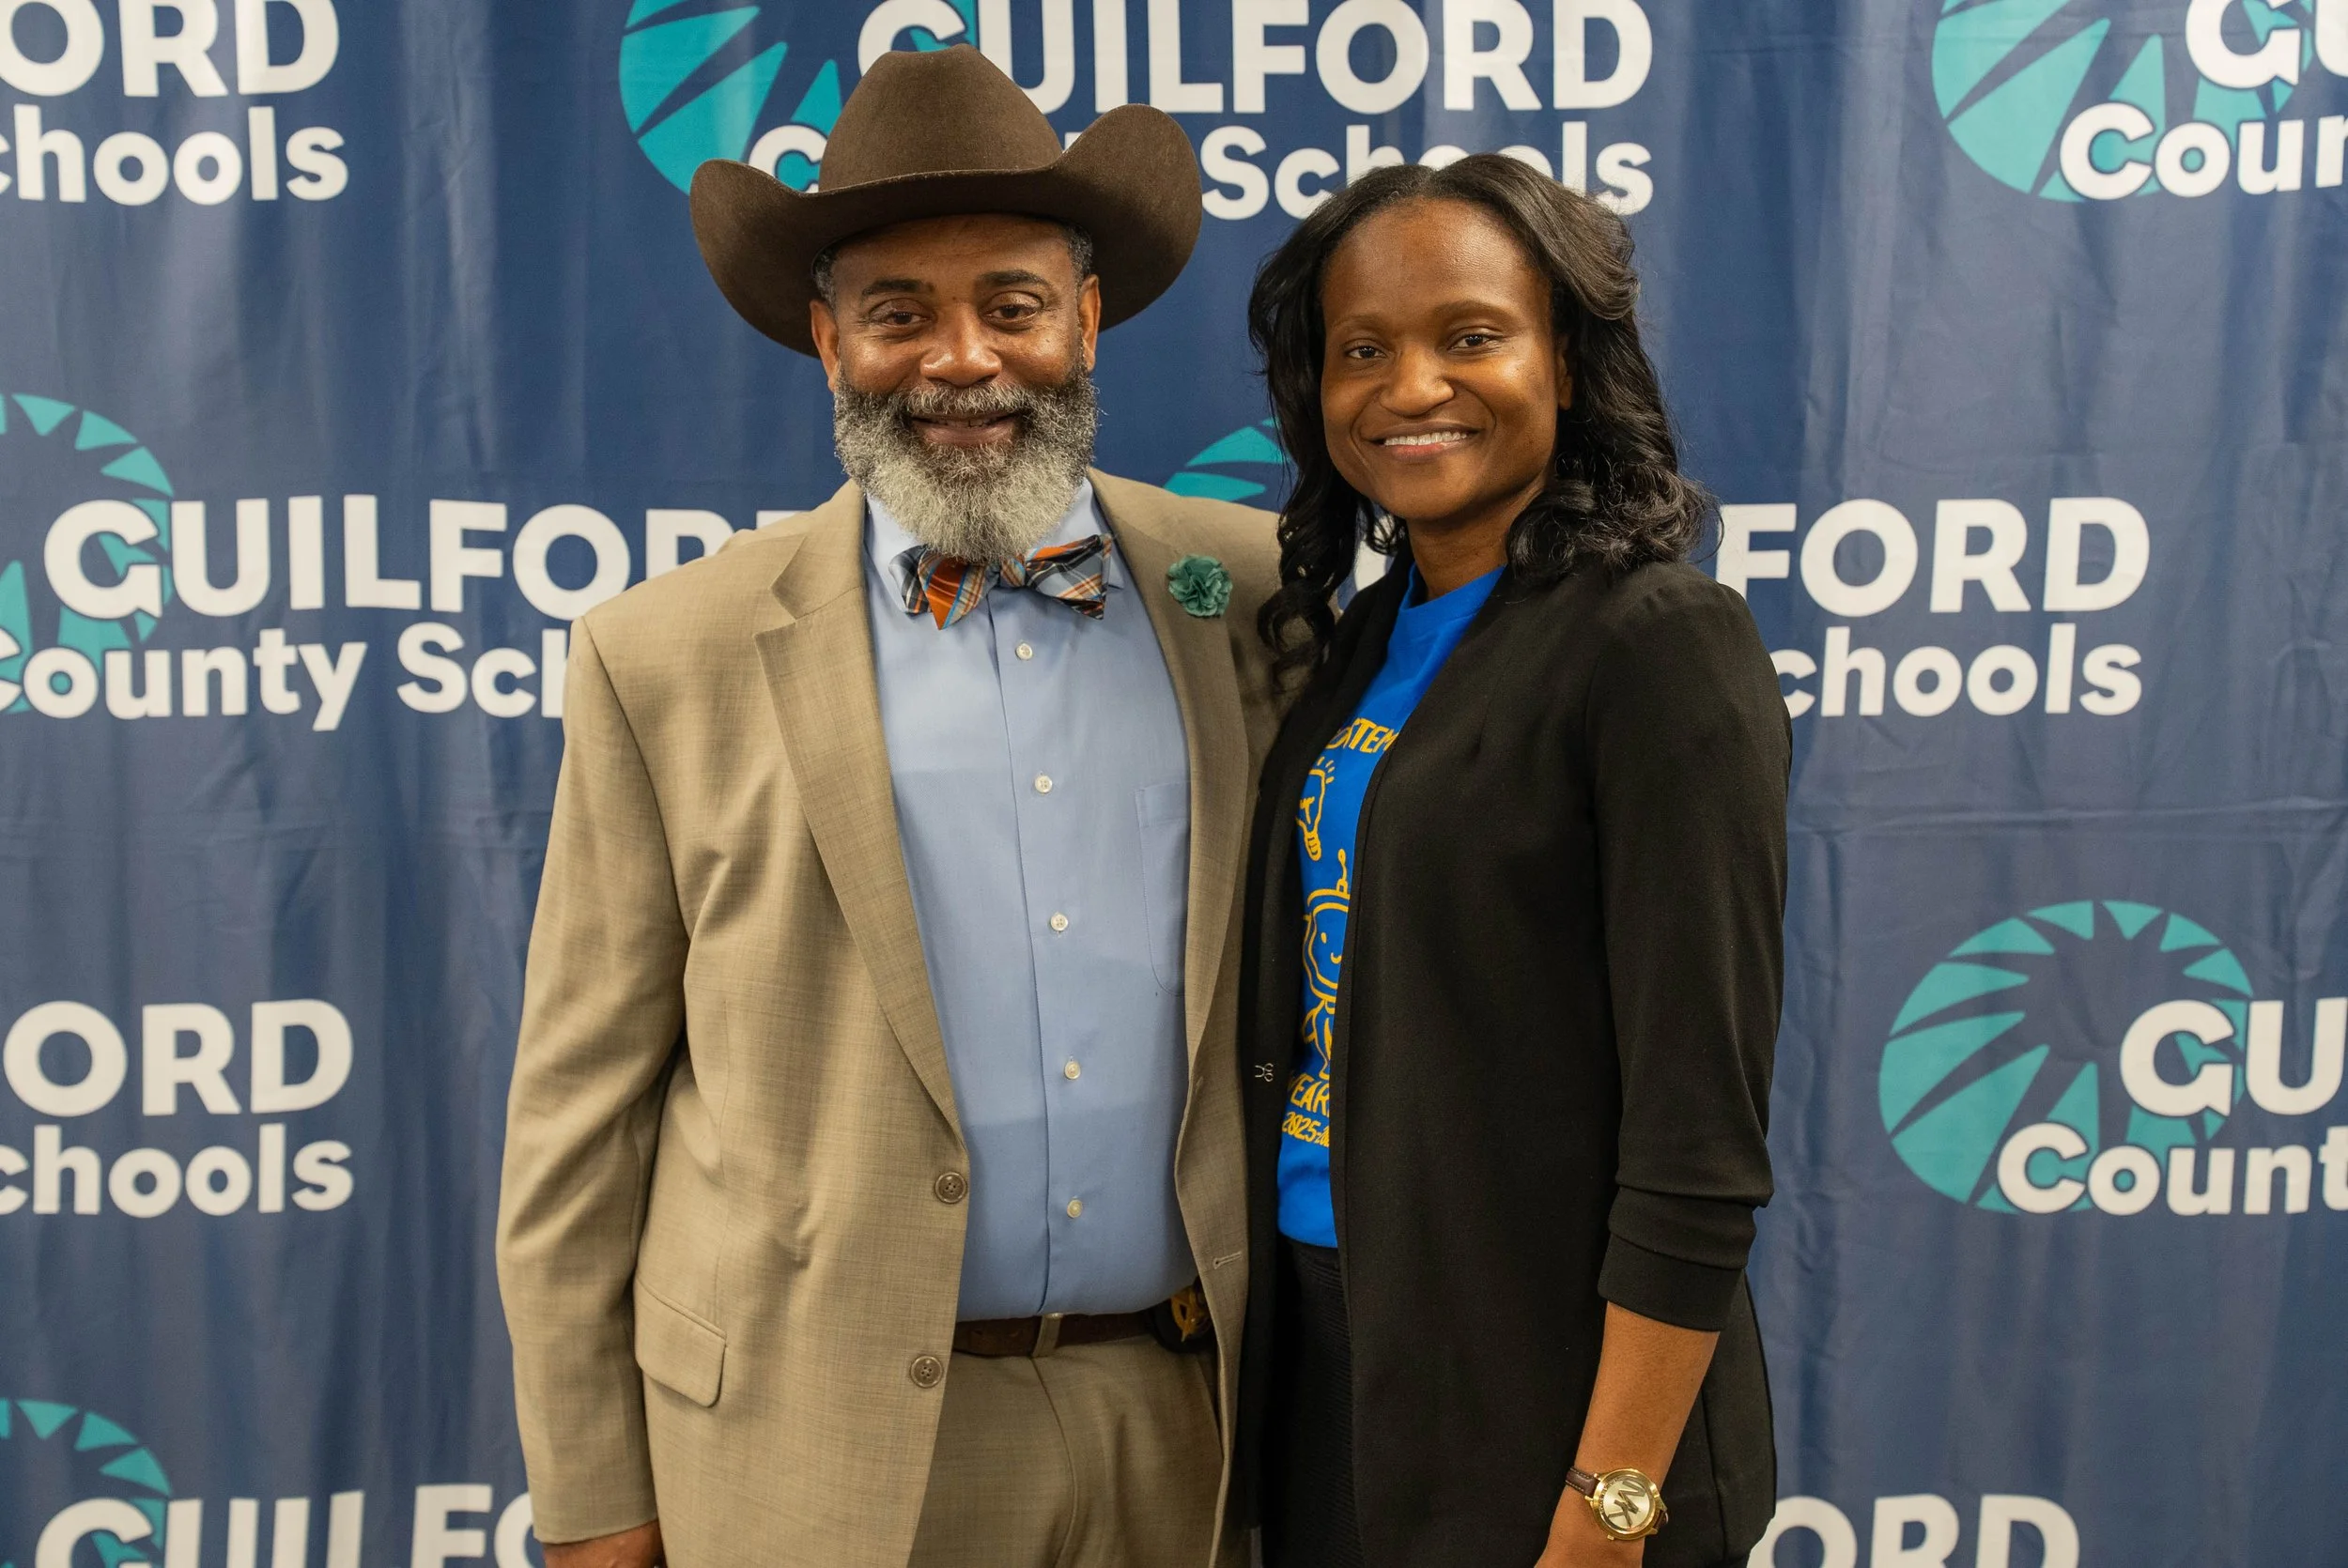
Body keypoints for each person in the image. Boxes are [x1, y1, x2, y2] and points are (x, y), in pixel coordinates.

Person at [496, 46, 1283, 1568]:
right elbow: (579, 1118)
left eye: (1013, 305)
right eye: (899, 314)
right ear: (827, 338)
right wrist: (592, 1498)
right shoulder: (665, 655)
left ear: (1086, 319)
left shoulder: (1248, 596)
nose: (961, 359)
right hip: (813, 1448)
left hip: (1194, 1430)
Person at [1232, 157, 1789, 1568]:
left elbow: (1697, 1144)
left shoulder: (1657, 644)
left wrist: (1611, 1507)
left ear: (1570, 364)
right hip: (1335, 1365)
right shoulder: (1357, 644)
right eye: (1362, 350)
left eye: (1470, 335)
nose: (1411, 386)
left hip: (1553, 1408)